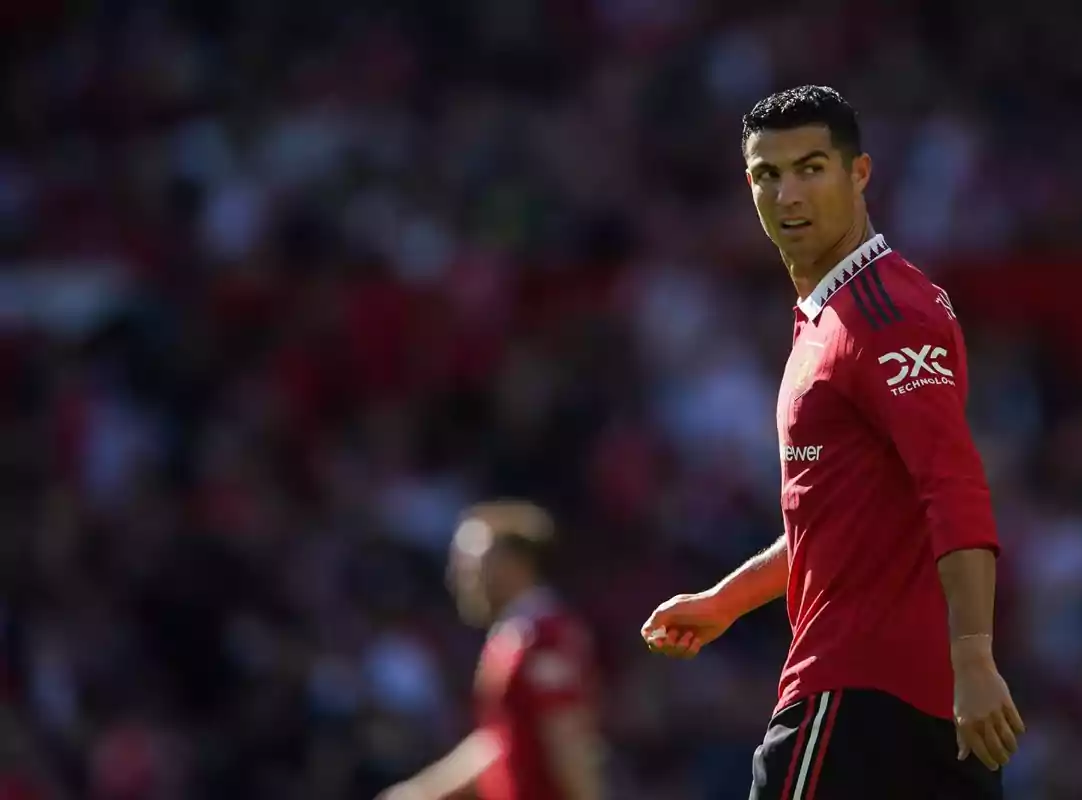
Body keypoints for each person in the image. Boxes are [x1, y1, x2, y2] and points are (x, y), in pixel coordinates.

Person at [641, 85, 1025, 799]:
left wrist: (974, 655)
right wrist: (728, 600)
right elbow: (848, 517)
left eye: (811, 167)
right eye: (767, 174)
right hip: (921, 708)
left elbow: (954, 483)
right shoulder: (836, 316)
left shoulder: (884, 314)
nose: (788, 193)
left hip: (856, 696)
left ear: (860, 174)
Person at [377, 500, 602, 800]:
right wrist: (421, 792)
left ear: (514, 563)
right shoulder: (513, 636)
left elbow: (567, 739)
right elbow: (499, 742)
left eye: (473, 562)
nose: (461, 577)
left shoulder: (545, 636)